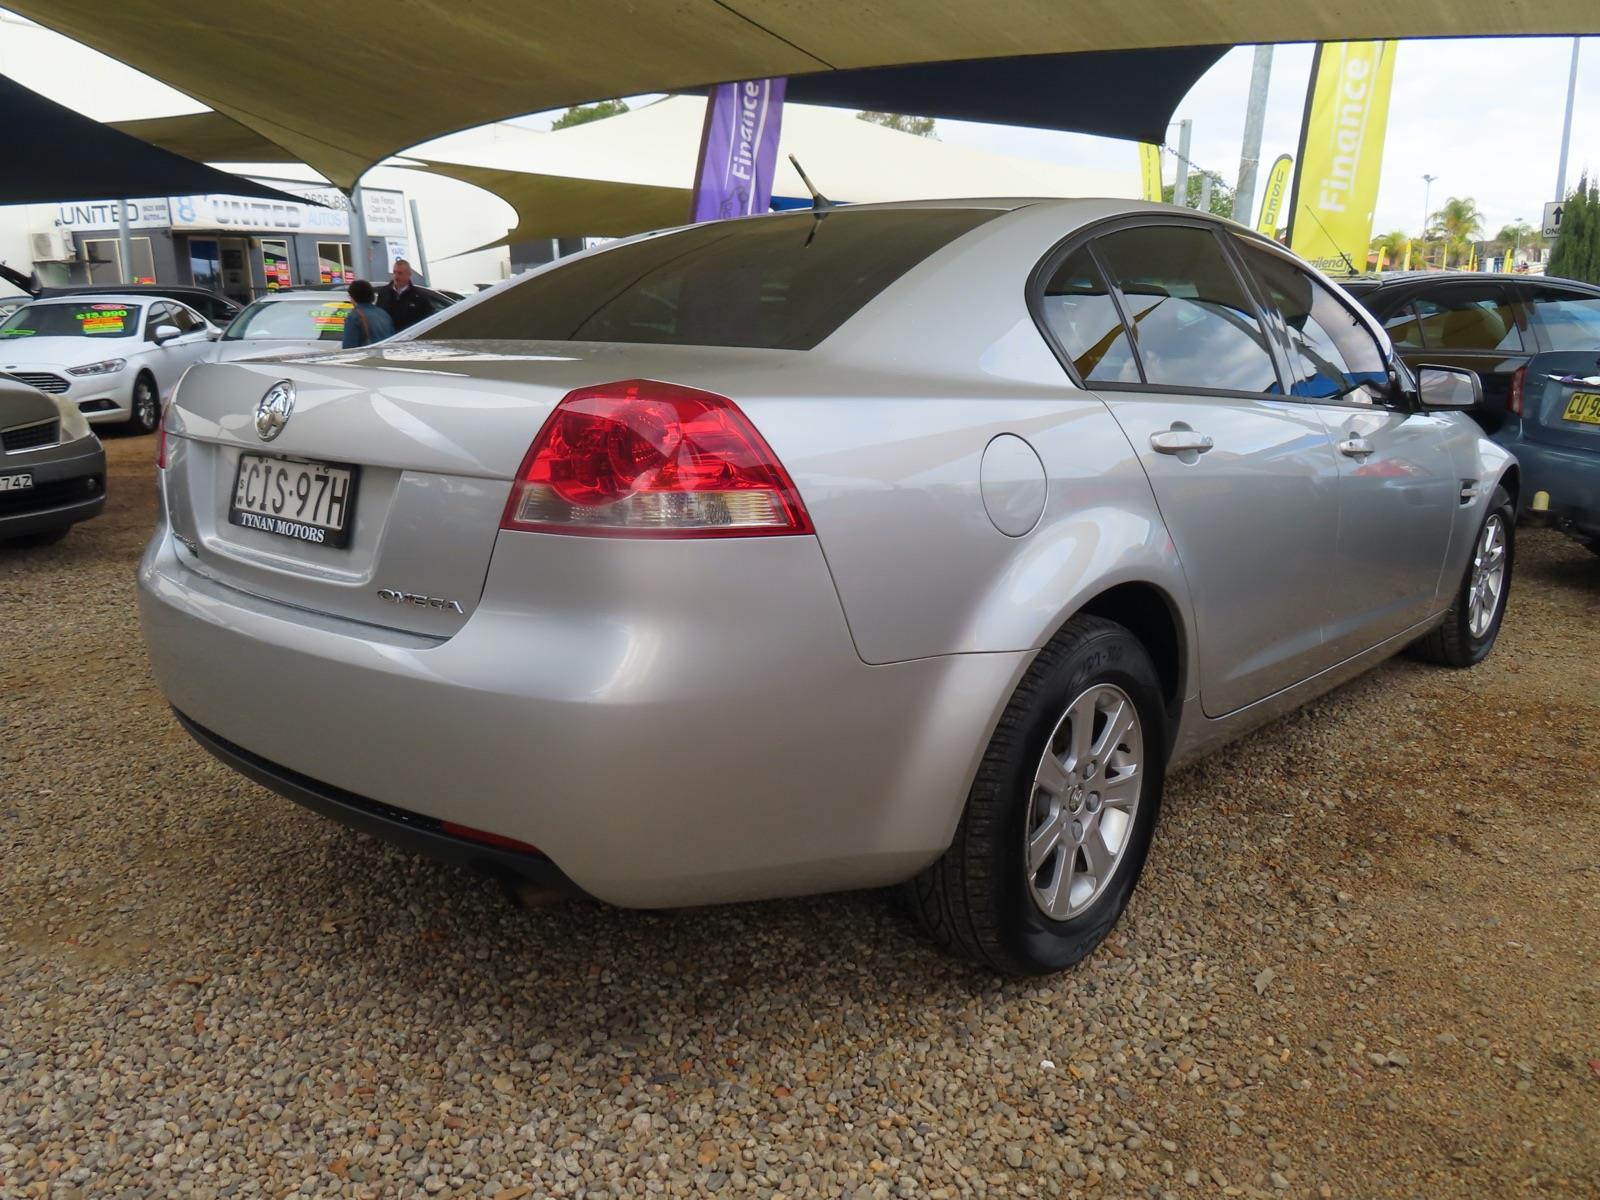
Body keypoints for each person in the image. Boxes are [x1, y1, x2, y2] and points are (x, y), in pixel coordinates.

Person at [376, 258, 430, 333]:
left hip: (409, 336)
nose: (396, 276)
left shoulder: (418, 296)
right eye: (394, 272)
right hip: (388, 336)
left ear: (409, 275)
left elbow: (428, 320)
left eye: (400, 273)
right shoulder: (384, 292)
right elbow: (378, 314)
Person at [342, 279, 395, 349]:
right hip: (385, 354)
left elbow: (349, 348)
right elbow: (393, 339)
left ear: (353, 297)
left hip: (367, 355)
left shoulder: (354, 318)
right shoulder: (384, 314)